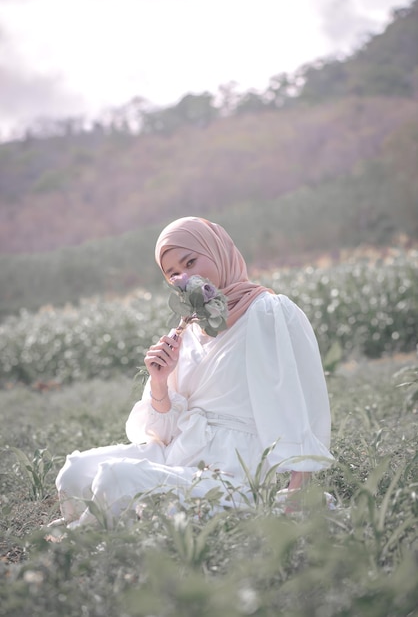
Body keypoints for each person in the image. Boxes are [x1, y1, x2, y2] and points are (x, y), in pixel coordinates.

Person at [53, 216, 334, 528]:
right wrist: (160, 381)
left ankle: (91, 536)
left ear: (218, 252)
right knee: (75, 472)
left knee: (116, 477)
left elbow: (300, 402)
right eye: (174, 273)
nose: (185, 277)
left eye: (190, 262)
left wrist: (297, 489)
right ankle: (118, 519)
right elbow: (160, 435)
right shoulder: (186, 330)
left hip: (236, 469)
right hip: (180, 452)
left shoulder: (269, 311)